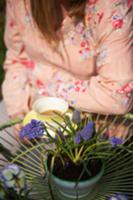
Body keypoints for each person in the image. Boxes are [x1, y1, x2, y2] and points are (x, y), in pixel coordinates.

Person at [2, 0, 133, 120]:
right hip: (29, 99)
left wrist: (44, 92)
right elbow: (16, 59)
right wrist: (18, 110)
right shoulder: (20, 3)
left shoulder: (111, 6)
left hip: (94, 114)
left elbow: (118, 96)